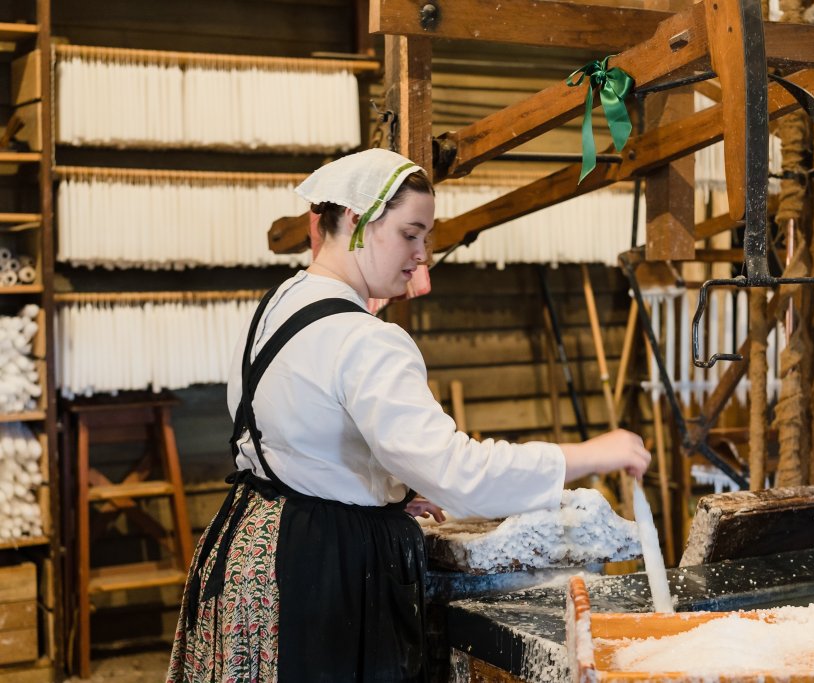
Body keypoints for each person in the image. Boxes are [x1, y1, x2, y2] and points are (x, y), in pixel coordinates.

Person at [166, 148, 651, 682]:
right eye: (410, 233)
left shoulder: (275, 305)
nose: (421, 255)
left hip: (250, 550)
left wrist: (385, 486)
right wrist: (589, 454)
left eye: (425, 238)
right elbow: (459, 474)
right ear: (355, 221)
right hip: (322, 571)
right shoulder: (365, 338)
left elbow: (294, 437)